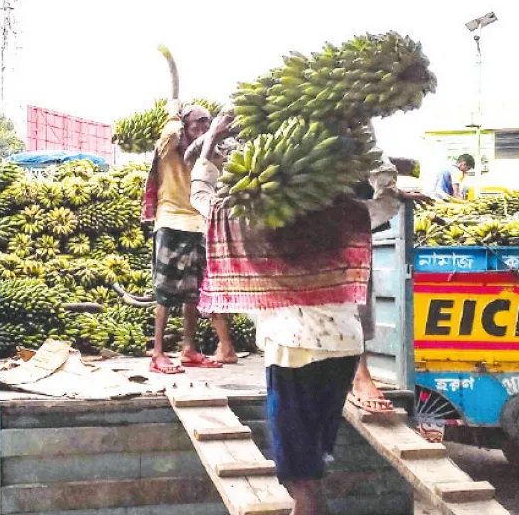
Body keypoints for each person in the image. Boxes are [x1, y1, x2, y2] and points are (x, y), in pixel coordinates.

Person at [190, 120, 372, 515]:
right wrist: (368, 139)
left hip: (295, 350)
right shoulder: (343, 217)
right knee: (313, 462)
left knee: (297, 475)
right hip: (344, 344)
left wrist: (211, 144)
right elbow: (386, 199)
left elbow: (201, 196)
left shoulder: (251, 222)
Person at [141, 100, 237, 374]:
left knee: (193, 293)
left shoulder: (207, 152)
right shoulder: (170, 146)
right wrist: (173, 113)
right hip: (171, 221)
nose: (205, 126)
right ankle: (157, 353)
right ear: (185, 124)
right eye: (199, 122)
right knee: (165, 291)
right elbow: (169, 134)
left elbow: (218, 164)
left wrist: (217, 135)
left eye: (209, 121)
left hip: (198, 224)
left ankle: (189, 348)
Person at [350, 149, 432, 413]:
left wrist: (397, 193)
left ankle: (360, 374)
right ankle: (357, 375)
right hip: (326, 213)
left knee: (358, 293)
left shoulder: (357, 126)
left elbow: (370, 164)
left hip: (355, 218)